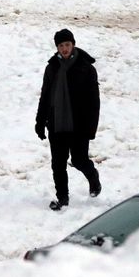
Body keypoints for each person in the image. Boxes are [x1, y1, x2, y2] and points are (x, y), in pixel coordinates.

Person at [36, 28, 101, 211]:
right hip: (56, 124)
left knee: (79, 160)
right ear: (57, 47)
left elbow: (93, 101)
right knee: (58, 164)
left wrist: (91, 128)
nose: (64, 48)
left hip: (78, 125)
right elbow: (45, 96)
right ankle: (63, 199)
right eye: (61, 45)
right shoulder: (51, 68)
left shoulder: (86, 68)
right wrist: (40, 122)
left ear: (73, 44)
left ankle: (93, 177)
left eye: (67, 44)